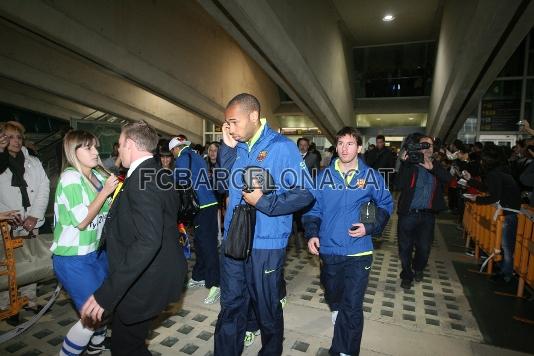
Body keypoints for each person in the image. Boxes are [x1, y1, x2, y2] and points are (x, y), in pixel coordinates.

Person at [215, 93, 314, 355]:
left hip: (265, 244)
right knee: (231, 305)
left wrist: (264, 202)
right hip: (235, 240)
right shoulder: (237, 147)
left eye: (233, 122)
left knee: (266, 308)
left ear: (254, 116)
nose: (230, 129)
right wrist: (226, 148)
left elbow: (305, 192)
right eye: (226, 124)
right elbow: (223, 183)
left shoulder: (281, 147)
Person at [80, 121, 187, 355]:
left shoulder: (140, 180)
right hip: (159, 272)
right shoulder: (159, 173)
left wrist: (106, 293)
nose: (118, 150)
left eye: (119, 144)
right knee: (128, 343)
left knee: (125, 347)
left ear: (129, 144)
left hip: (146, 280)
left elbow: (148, 241)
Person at [303, 127, 393, 356]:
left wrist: (370, 227)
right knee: (333, 292)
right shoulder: (324, 176)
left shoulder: (371, 176)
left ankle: (344, 351)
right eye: (341, 143)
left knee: (352, 306)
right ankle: (335, 307)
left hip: (359, 250)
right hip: (330, 248)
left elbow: (385, 204)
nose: (344, 148)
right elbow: (314, 208)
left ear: (359, 148)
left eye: (350, 143)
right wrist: (312, 233)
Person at [51, 130, 118, 356]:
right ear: (73, 151)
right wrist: (106, 192)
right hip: (73, 259)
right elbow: (82, 221)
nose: (96, 152)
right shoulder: (70, 178)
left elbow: (109, 212)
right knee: (91, 315)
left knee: (104, 306)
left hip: (96, 254)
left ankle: (95, 348)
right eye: (88, 147)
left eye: (95, 147)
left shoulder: (97, 177)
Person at [0, 120, 50, 314]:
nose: (15, 141)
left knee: (31, 258)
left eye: (19, 137)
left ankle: (29, 298)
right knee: (7, 261)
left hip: (30, 219)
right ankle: (5, 302)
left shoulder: (33, 162)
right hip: (7, 222)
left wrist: (34, 216)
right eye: (10, 137)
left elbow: (44, 188)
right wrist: (6, 216)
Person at [396, 135, 452, 290]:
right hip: (408, 213)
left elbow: (449, 179)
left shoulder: (437, 165)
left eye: (431, 145)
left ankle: (418, 268)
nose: (428, 147)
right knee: (405, 247)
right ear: (418, 147)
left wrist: (432, 169)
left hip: (428, 215)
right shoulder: (411, 164)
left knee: (424, 248)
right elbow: (398, 184)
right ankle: (407, 274)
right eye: (424, 145)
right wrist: (405, 163)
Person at [170, 134, 220, 304]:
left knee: (207, 245)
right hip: (209, 204)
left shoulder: (182, 159)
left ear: (175, 149)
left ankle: (216, 283)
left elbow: (178, 181)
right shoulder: (197, 156)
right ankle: (199, 274)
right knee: (200, 242)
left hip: (201, 206)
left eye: (172, 152)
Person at [463, 146, 521, 282]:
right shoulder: (500, 172)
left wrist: (476, 199)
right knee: (504, 244)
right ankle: (503, 269)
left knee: (506, 246)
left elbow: (494, 196)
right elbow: (488, 188)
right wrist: (470, 180)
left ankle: (506, 274)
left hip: (508, 213)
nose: (481, 163)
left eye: (483, 160)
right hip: (509, 212)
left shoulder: (494, 174)